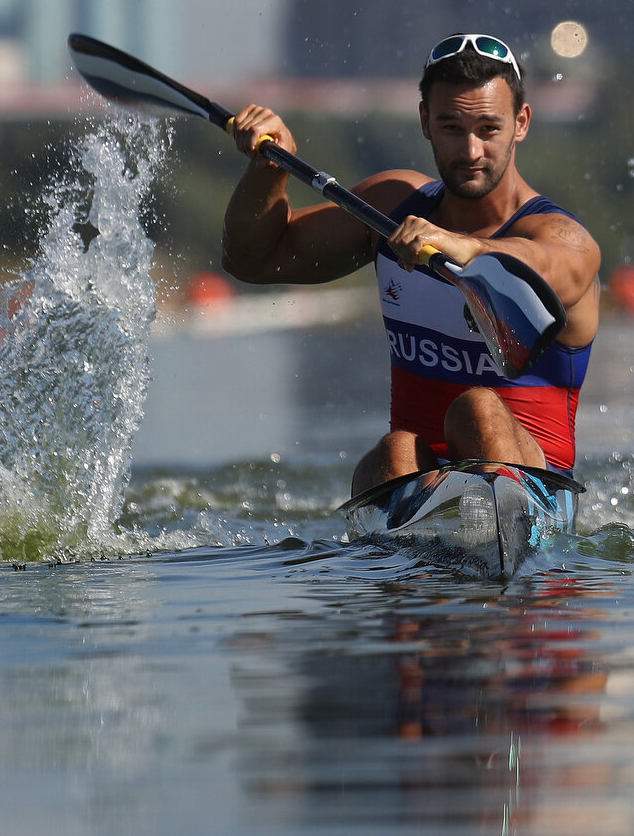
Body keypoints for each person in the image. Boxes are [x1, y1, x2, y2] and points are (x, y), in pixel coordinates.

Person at [222, 32, 601, 494]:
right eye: (451, 128)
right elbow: (253, 260)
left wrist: (464, 246)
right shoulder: (391, 208)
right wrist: (269, 171)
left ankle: (487, 522)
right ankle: (411, 548)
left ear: (521, 122)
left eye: (488, 129)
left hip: (535, 483)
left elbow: (543, 265)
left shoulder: (563, 237)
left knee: (477, 408)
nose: (470, 151)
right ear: (425, 121)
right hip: (418, 482)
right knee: (395, 449)